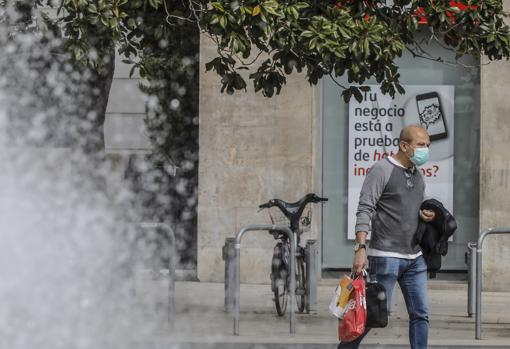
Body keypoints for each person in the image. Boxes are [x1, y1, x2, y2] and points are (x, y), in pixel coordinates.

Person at [338, 125, 436, 349]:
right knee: (371, 315)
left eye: (428, 145)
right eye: (421, 145)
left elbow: (419, 203)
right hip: (386, 257)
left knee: (421, 315)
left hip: (415, 257)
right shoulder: (382, 169)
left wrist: (428, 213)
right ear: (404, 145)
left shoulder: (417, 174)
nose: (426, 150)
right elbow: (365, 208)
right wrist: (360, 248)